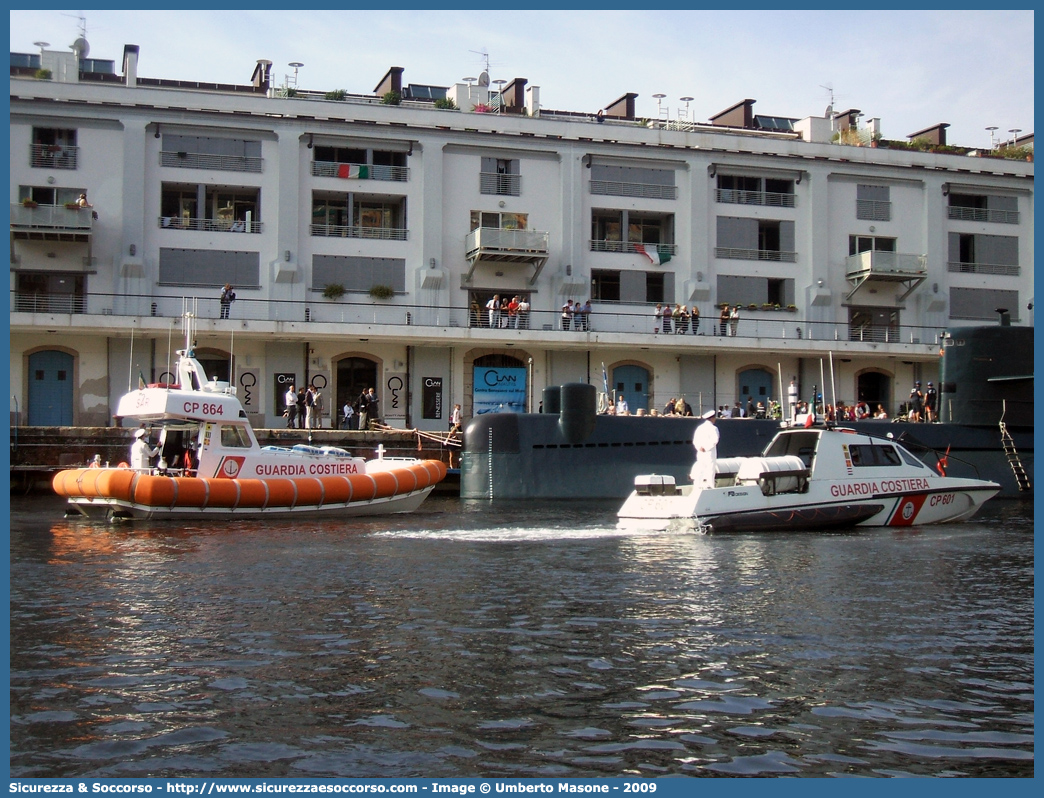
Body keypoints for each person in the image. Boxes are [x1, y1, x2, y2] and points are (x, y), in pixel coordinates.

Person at [691, 409, 720, 488]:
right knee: (710, 470)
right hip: (709, 452)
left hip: (700, 452)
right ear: (712, 418)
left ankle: (697, 486)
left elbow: (695, 440)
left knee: (700, 469)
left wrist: (699, 448)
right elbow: (715, 440)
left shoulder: (699, 428)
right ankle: (710, 486)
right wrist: (706, 448)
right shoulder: (713, 428)